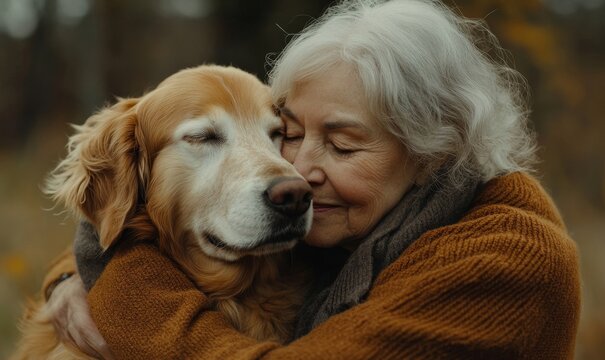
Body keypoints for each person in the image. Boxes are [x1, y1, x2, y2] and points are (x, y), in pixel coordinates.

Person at [45, 0, 580, 358]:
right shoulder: (349, 222)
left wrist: (114, 286)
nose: (295, 173)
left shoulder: (510, 263)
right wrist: (73, 276)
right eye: (291, 134)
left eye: (345, 144)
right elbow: (133, 216)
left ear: (432, 153)